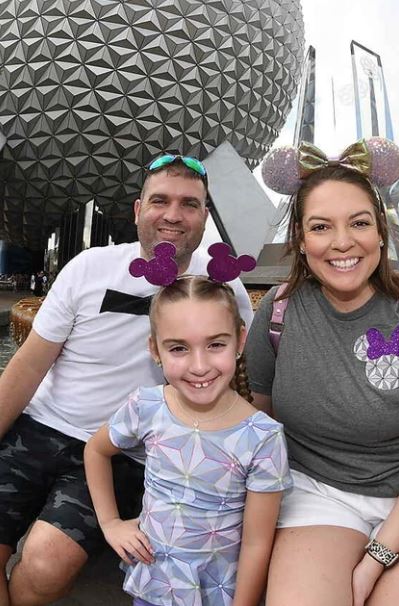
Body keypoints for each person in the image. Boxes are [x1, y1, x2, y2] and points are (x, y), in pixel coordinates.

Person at [0, 154, 253, 606]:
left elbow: (225, 387)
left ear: (204, 217)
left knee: (43, 565)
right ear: (138, 210)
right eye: (160, 201)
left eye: (189, 204)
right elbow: (26, 369)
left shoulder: (224, 292)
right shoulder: (88, 268)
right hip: (37, 430)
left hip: (121, 451)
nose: (173, 215)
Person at [245, 138, 399, 606]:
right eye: (321, 226)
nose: (342, 242)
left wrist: (376, 559)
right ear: (301, 241)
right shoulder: (276, 314)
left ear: (381, 233)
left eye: (359, 223)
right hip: (318, 492)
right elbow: (261, 421)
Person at [85, 276, 290, 606]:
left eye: (215, 345)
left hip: (219, 593)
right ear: (155, 349)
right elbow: (96, 449)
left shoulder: (263, 437)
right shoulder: (146, 406)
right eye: (179, 348)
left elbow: (257, 543)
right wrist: (110, 523)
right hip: (154, 585)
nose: (199, 366)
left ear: (240, 341)